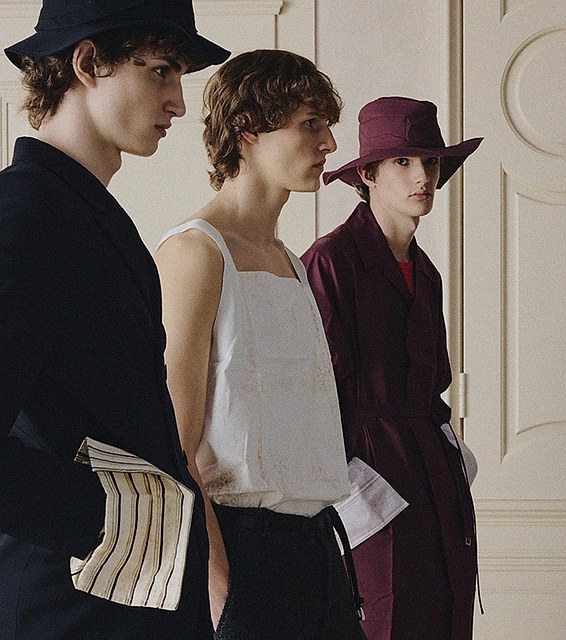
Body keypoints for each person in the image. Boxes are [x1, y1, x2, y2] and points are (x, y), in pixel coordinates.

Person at [0, 1, 230, 638]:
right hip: (70, 608)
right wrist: (119, 518)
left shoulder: (81, 212)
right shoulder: (26, 214)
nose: (178, 101)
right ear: (87, 62)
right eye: (160, 70)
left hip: (124, 604)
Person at [154, 49, 366, 640]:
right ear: (247, 130)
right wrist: (216, 573)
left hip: (318, 547)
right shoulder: (195, 253)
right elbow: (173, 441)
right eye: (310, 124)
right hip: (239, 549)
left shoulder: (290, 262)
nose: (328, 143)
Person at [301, 96, 483, 640]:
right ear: (368, 175)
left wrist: (453, 459)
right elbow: (310, 397)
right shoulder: (330, 262)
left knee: (446, 613)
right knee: (384, 620)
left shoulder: (425, 272)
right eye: (403, 162)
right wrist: (352, 490)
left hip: (433, 474)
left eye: (430, 162)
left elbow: (433, 384)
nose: (422, 176)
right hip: (367, 474)